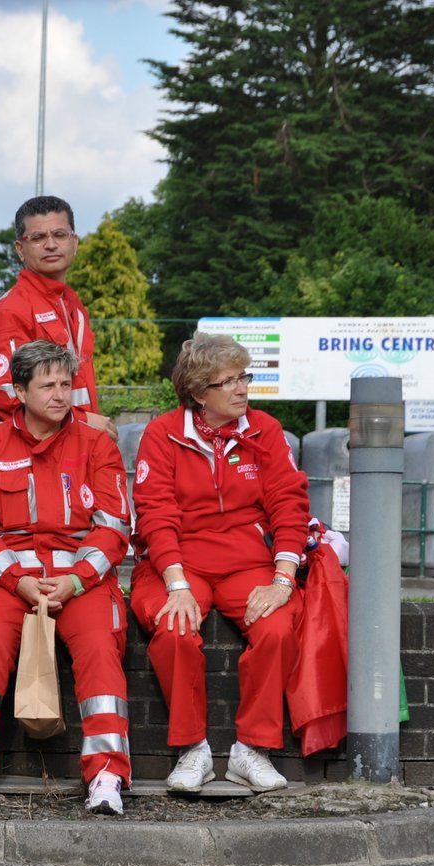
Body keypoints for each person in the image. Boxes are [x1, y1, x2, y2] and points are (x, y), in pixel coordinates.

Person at [0, 341, 133, 815]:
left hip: (80, 581)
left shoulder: (97, 445)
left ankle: (107, 776)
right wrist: (18, 578)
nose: (62, 395)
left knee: (100, 647)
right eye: (48, 385)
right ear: (20, 390)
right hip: (7, 580)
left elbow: (114, 524)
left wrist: (77, 580)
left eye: (67, 384)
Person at [129, 332, 312, 794]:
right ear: (197, 393)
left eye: (243, 377)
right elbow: (155, 512)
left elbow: (290, 506)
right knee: (173, 630)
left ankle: (252, 750)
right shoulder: (163, 433)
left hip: (246, 561)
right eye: (227, 381)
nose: (241, 389)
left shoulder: (265, 431)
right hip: (177, 562)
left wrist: (283, 580)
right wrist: (175, 582)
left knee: (276, 625)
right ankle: (193, 750)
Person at [0, 195, 116, 440]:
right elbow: (8, 399)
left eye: (60, 235)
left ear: (74, 242)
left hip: (76, 450)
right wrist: (83, 422)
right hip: (31, 457)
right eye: (38, 237)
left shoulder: (73, 306)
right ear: (20, 249)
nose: (51, 244)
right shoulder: (7, 313)